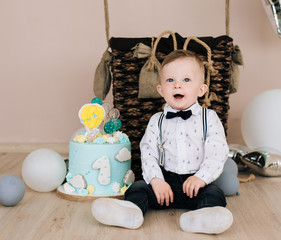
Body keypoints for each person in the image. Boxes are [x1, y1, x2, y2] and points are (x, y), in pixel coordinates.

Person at [91, 49, 233, 234]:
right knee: (139, 187)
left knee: (215, 194)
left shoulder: (210, 118)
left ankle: (201, 218)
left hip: (196, 182)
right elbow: (148, 152)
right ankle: (131, 212)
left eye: (186, 80)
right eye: (170, 80)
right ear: (161, 90)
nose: (177, 86)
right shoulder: (157, 120)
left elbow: (217, 152)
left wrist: (202, 177)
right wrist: (157, 180)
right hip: (165, 184)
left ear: (201, 89)